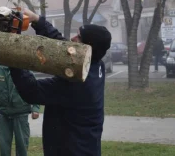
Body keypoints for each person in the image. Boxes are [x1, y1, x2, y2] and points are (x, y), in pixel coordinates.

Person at [7, 8, 111, 156]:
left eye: (79, 37)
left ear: (88, 48)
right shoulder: (96, 65)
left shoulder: (77, 83)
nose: (74, 38)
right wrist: (37, 20)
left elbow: (31, 90)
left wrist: (14, 52)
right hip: (88, 148)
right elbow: (65, 47)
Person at [0, 65, 40, 156]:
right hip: (4, 114)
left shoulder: (24, 67)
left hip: (21, 113)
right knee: (4, 146)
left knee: (22, 146)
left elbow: (34, 88)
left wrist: (35, 108)